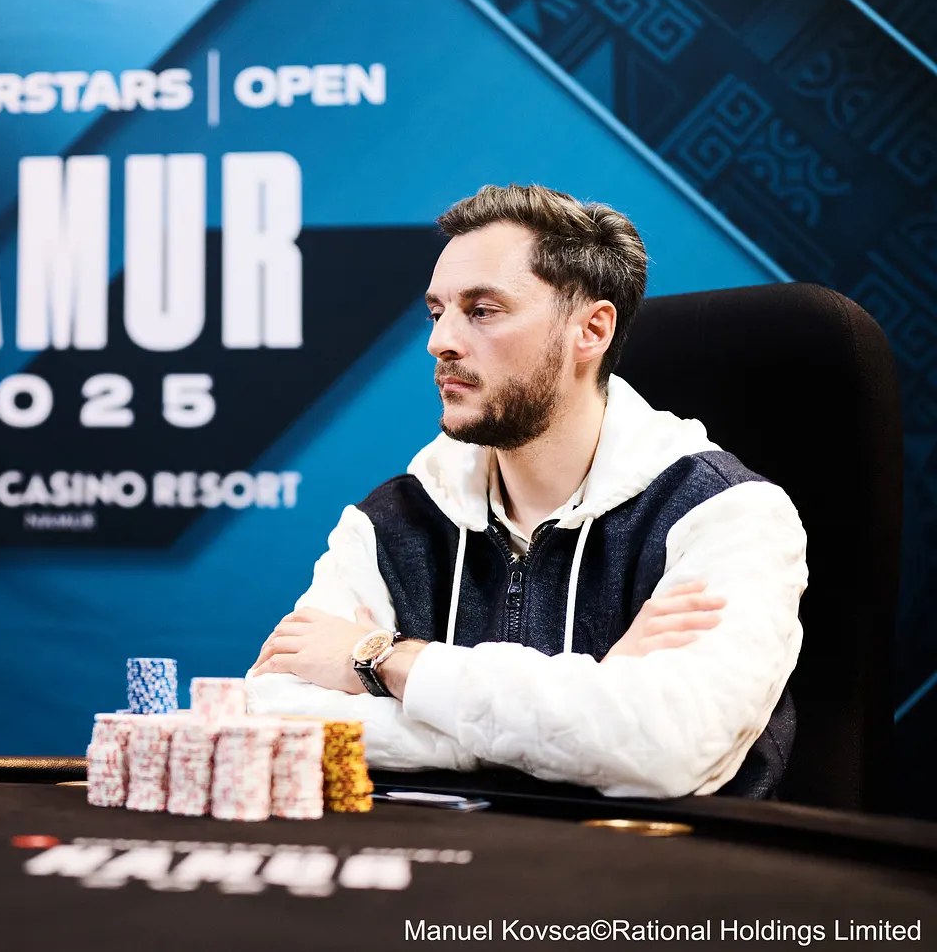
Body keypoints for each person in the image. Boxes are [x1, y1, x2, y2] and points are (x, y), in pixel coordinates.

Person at [245, 183, 806, 799]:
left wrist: (385, 660)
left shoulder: (728, 515)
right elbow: (275, 716)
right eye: (437, 312)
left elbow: (669, 750)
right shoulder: (392, 521)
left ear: (590, 330)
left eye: (482, 310)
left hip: (647, 859)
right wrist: (582, 718)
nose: (440, 341)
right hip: (431, 859)